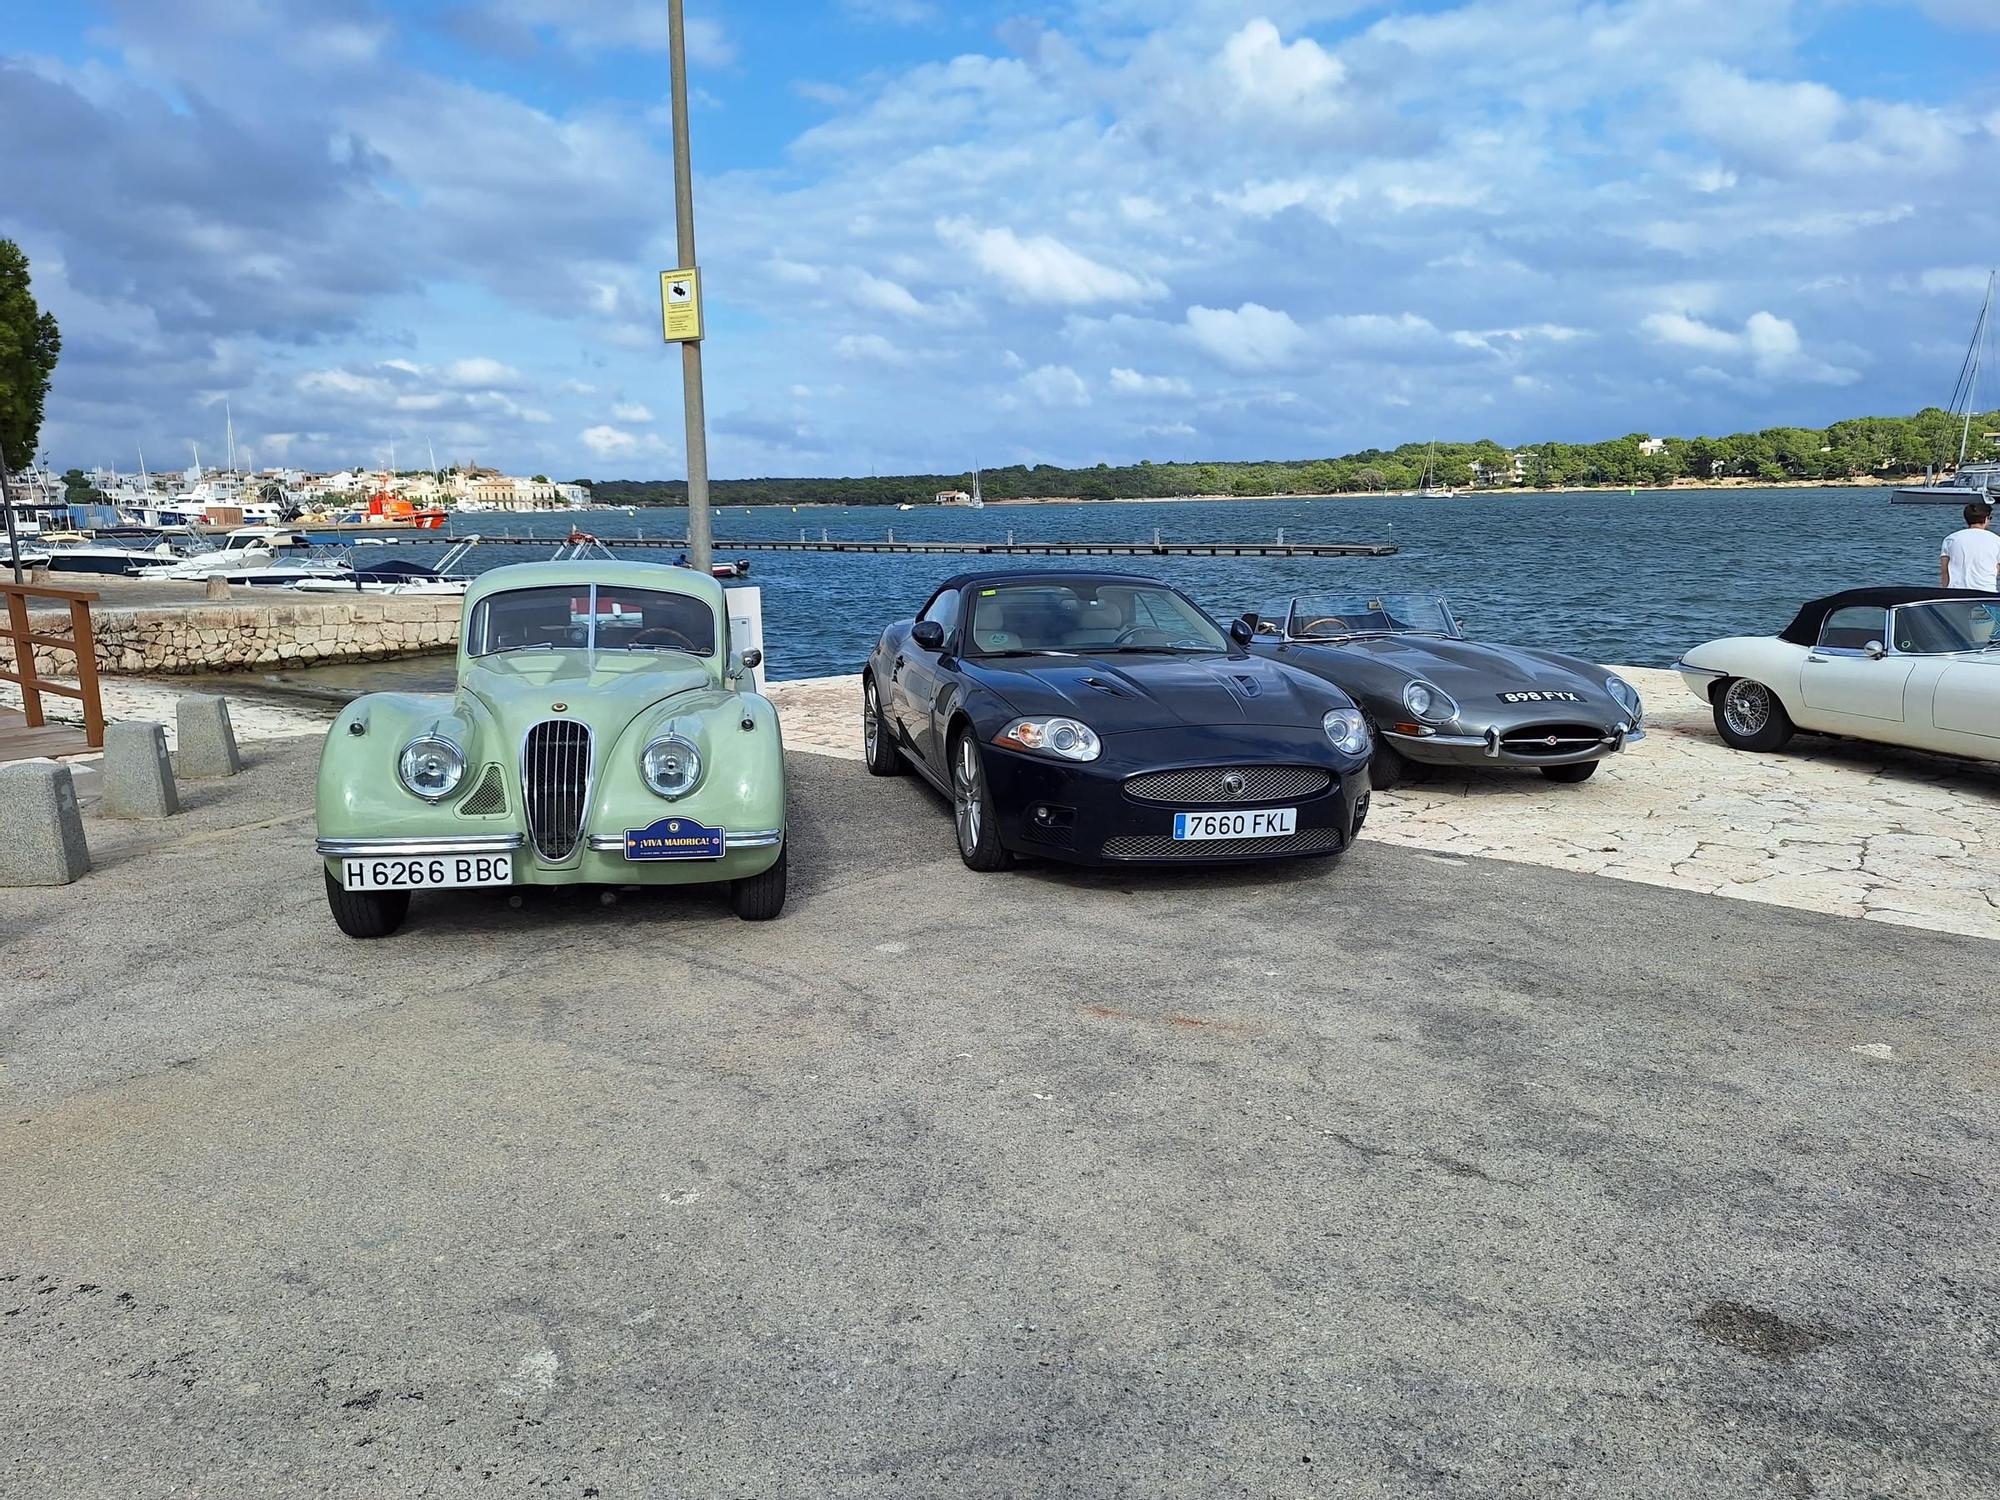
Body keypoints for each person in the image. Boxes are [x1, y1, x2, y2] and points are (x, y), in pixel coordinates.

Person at [1940, 500, 1999, 591]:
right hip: (1986, 592)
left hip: (1956, 593)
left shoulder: (1950, 539)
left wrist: (1945, 592)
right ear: (1986, 519)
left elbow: (1944, 571)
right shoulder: (1996, 540)